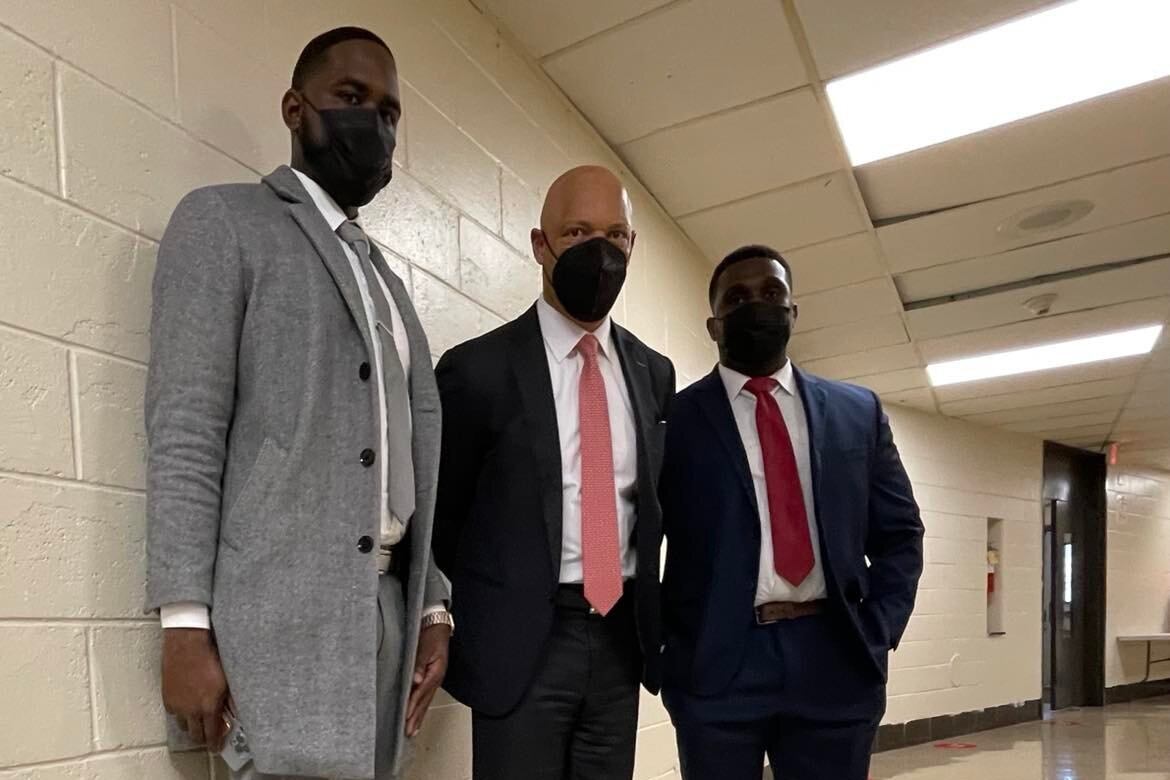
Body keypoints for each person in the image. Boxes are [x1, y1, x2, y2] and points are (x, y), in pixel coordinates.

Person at [145, 27, 452, 780]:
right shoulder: (224, 222)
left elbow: (399, 457)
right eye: (351, 98)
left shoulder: (387, 281)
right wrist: (184, 622)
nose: (373, 125)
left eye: (389, 112)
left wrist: (432, 603)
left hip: (386, 614)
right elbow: (186, 428)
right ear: (294, 107)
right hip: (277, 617)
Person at [432, 165, 675, 780]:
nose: (600, 251)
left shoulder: (653, 374)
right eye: (576, 232)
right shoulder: (475, 371)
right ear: (541, 245)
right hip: (523, 646)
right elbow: (444, 520)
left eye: (616, 236)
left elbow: (650, 509)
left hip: (621, 642)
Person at [658, 245, 924, 780]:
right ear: (714, 326)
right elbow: (638, 537)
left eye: (772, 293)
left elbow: (900, 533)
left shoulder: (858, 413)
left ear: (793, 312)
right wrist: (668, 645)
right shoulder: (673, 421)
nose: (757, 304)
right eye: (737, 298)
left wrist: (879, 629)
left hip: (836, 660)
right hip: (717, 667)